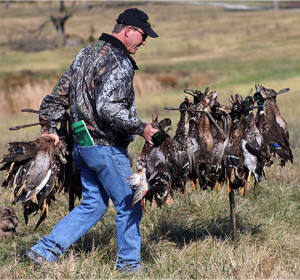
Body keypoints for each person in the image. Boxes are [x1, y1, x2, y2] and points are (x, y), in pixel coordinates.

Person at [24, 8, 159, 274]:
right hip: (107, 148)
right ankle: (129, 267)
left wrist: (48, 127)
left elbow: (57, 95)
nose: (144, 42)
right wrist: (142, 128)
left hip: (83, 148)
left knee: (93, 205)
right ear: (128, 30)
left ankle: (43, 252)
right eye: (143, 36)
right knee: (130, 205)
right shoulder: (118, 61)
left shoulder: (85, 53)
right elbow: (109, 109)